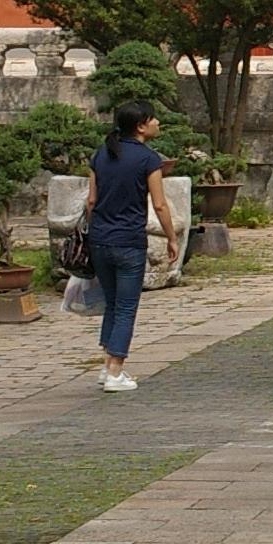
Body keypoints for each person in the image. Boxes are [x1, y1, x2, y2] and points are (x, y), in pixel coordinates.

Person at [87, 98, 183, 392]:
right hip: (129, 241)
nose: (158, 123)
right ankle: (116, 370)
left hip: (100, 238)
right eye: (153, 119)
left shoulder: (100, 154)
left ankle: (107, 366)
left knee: (113, 304)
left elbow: (91, 200)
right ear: (141, 126)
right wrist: (171, 237)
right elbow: (160, 204)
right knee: (127, 307)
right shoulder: (148, 159)